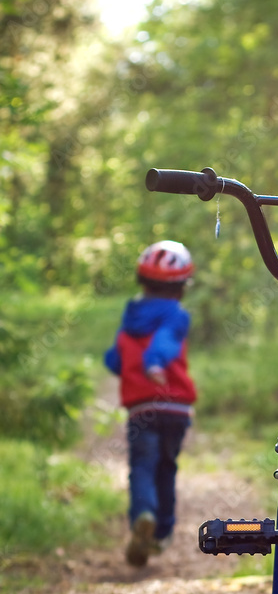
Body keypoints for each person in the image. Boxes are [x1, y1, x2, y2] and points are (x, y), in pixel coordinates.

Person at [104, 240, 197, 567]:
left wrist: (127, 364)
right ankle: (160, 533)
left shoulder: (131, 318)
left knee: (142, 466)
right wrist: (155, 363)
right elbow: (166, 341)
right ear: (182, 286)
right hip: (175, 407)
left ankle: (143, 514)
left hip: (142, 408)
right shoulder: (176, 315)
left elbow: (116, 359)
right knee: (166, 468)